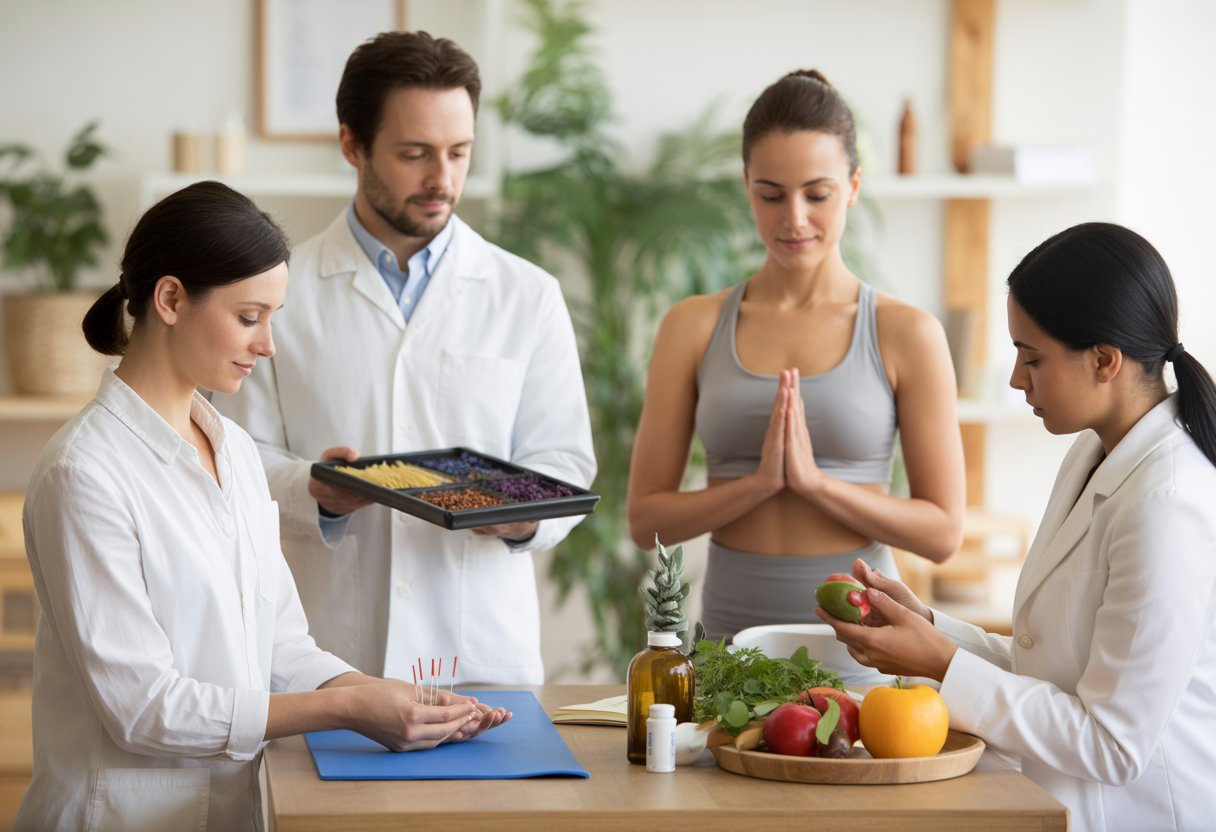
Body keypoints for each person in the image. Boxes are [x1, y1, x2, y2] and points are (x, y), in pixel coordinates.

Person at [15, 182, 508, 832]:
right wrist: (348, 712)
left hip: (237, 810)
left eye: (273, 317)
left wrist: (394, 697)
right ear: (170, 299)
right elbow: (140, 709)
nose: (268, 344)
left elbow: (283, 649)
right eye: (250, 317)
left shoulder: (236, 452)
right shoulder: (85, 474)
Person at [211, 31, 595, 686]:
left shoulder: (526, 296)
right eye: (414, 154)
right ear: (352, 145)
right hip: (328, 662)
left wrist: (521, 512)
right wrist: (316, 490)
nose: (441, 179)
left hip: (482, 663)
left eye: (458, 152)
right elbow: (235, 462)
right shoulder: (280, 292)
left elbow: (564, 461)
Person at [818, 222, 1216, 831]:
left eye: (1033, 357)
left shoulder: (1165, 505)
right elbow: (1052, 668)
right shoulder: (1092, 455)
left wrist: (946, 664)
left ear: (1105, 360)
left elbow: (1114, 744)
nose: (1014, 378)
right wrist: (931, 630)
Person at [626, 70, 965, 652]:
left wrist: (815, 485)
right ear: (746, 186)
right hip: (729, 651)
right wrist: (757, 485)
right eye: (771, 194)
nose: (795, 219)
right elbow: (645, 522)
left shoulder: (907, 333)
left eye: (818, 193)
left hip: (865, 653)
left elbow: (942, 533)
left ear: (853, 185)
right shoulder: (692, 327)